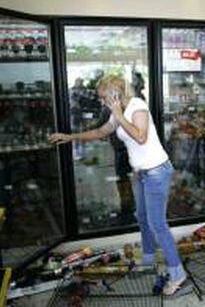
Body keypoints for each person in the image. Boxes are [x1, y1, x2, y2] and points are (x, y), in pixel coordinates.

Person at [49, 73, 186, 294]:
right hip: (141, 173)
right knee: (141, 217)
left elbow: (141, 137)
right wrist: (70, 137)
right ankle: (149, 260)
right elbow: (101, 131)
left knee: (157, 225)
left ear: (115, 94)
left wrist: (119, 115)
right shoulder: (118, 112)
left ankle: (178, 273)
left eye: (104, 97)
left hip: (157, 172)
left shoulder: (137, 106)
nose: (102, 101)